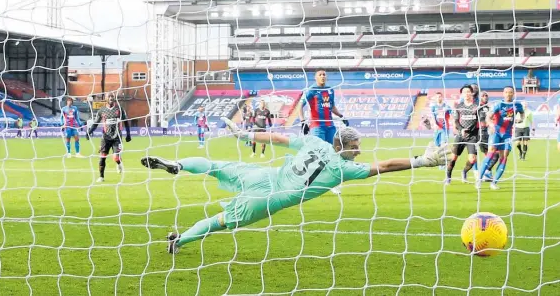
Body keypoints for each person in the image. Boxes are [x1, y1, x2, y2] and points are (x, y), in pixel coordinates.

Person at [140, 117, 450, 254]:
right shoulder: (343, 169)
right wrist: (422, 161)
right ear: (345, 146)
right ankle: (179, 240)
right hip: (272, 198)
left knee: (215, 166)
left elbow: (276, 138)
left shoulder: (314, 141)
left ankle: (179, 165)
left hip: (264, 176)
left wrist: (244, 136)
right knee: (221, 222)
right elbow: (384, 166)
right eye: (357, 146)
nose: (359, 150)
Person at [298, 69, 349, 194]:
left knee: (334, 153)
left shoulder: (330, 90)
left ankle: (333, 184)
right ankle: (306, 181)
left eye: (324, 74)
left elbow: (331, 106)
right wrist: (302, 121)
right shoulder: (311, 90)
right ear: (315, 77)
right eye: (320, 74)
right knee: (317, 153)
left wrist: (341, 116)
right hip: (317, 126)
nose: (322, 76)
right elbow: (300, 105)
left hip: (330, 126)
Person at [476, 86, 524, 190]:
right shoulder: (498, 104)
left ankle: (494, 183)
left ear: (513, 94)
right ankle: (479, 179)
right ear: (503, 93)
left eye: (510, 92)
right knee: (491, 153)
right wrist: (491, 125)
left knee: (504, 156)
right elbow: (488, 117)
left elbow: (522, 113)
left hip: (507, 134)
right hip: (496, 133)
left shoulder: (517, 105)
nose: (508, 94)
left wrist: (521, 119)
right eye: (506, 92)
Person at [88, 92, 132, 182]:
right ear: (106, 98)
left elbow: (126, 122)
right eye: (109, 96)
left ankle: (119, 163)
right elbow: (96, 123)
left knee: (115, 157)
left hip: (117, 137)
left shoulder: (119, 109)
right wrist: (89, 132)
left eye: (112, 96)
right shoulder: (102, 110)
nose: (111, 98)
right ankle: (101, 177)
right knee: (102, 157)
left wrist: (128, 134)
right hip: (105, 137)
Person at [446, 85, 479, 184]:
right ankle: (448, 177)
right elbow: (456, 121)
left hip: (472, 136)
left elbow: (479, 120)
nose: (467, 94)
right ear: (462, 94)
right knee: (453, 158)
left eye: (468, 91)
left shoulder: (476, 106)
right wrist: (461, 129)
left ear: (472, 93)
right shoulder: (459, 106)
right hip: (460, 135)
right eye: (464, 92)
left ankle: (464, 172)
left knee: (472, 159)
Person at [476, 92, 498, 181]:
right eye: (483, 95)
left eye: (486, 95)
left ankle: (486, 173)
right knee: (494, 155)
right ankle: (486, 172)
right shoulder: (477, 107)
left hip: (490, 133)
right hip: (482, 133)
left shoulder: (490, 107)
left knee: (489, 156)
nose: (485, 97)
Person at [430, 92, 452, 170]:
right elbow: (432, 116)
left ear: (442, 97)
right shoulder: (433, 107)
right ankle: (440, 162)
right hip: (437, 129)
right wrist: (434, 124)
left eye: (440, 96)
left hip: (445, 128)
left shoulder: (446, 106)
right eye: (437, 97)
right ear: (435, 98)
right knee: (437, 146)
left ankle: (444, 163)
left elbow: (452, 114)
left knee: (443, 145)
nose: (439, 98)